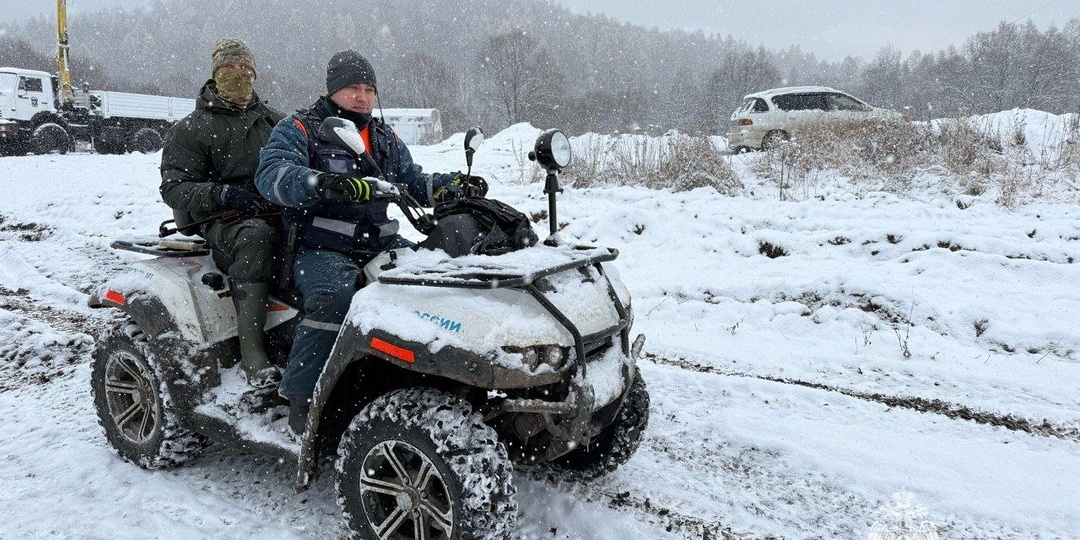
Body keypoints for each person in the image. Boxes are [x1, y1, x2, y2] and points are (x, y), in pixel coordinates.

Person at [255, 50, 487, 433]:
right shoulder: (301, 128)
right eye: (352, 88)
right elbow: (272, 175)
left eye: (368, 89)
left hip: (380, 244)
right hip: (321, 248)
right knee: (335, 300)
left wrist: (449, 186)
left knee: (438, 286)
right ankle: (302, 398)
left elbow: (412, 180)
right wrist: (321, 182)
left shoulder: (382, 136)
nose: (362, 97)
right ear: (333, 89)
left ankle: (423, 378)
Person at [160, 38, 285, 387]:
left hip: (276, 208)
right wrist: (223, 194)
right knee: (256, 238)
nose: (239, 75)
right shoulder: (190, 129)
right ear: (216, 73)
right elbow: (173, 188)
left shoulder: (275, 121)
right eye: (230, 69)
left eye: (245, 69)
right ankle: (252, 352)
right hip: (222, 220)